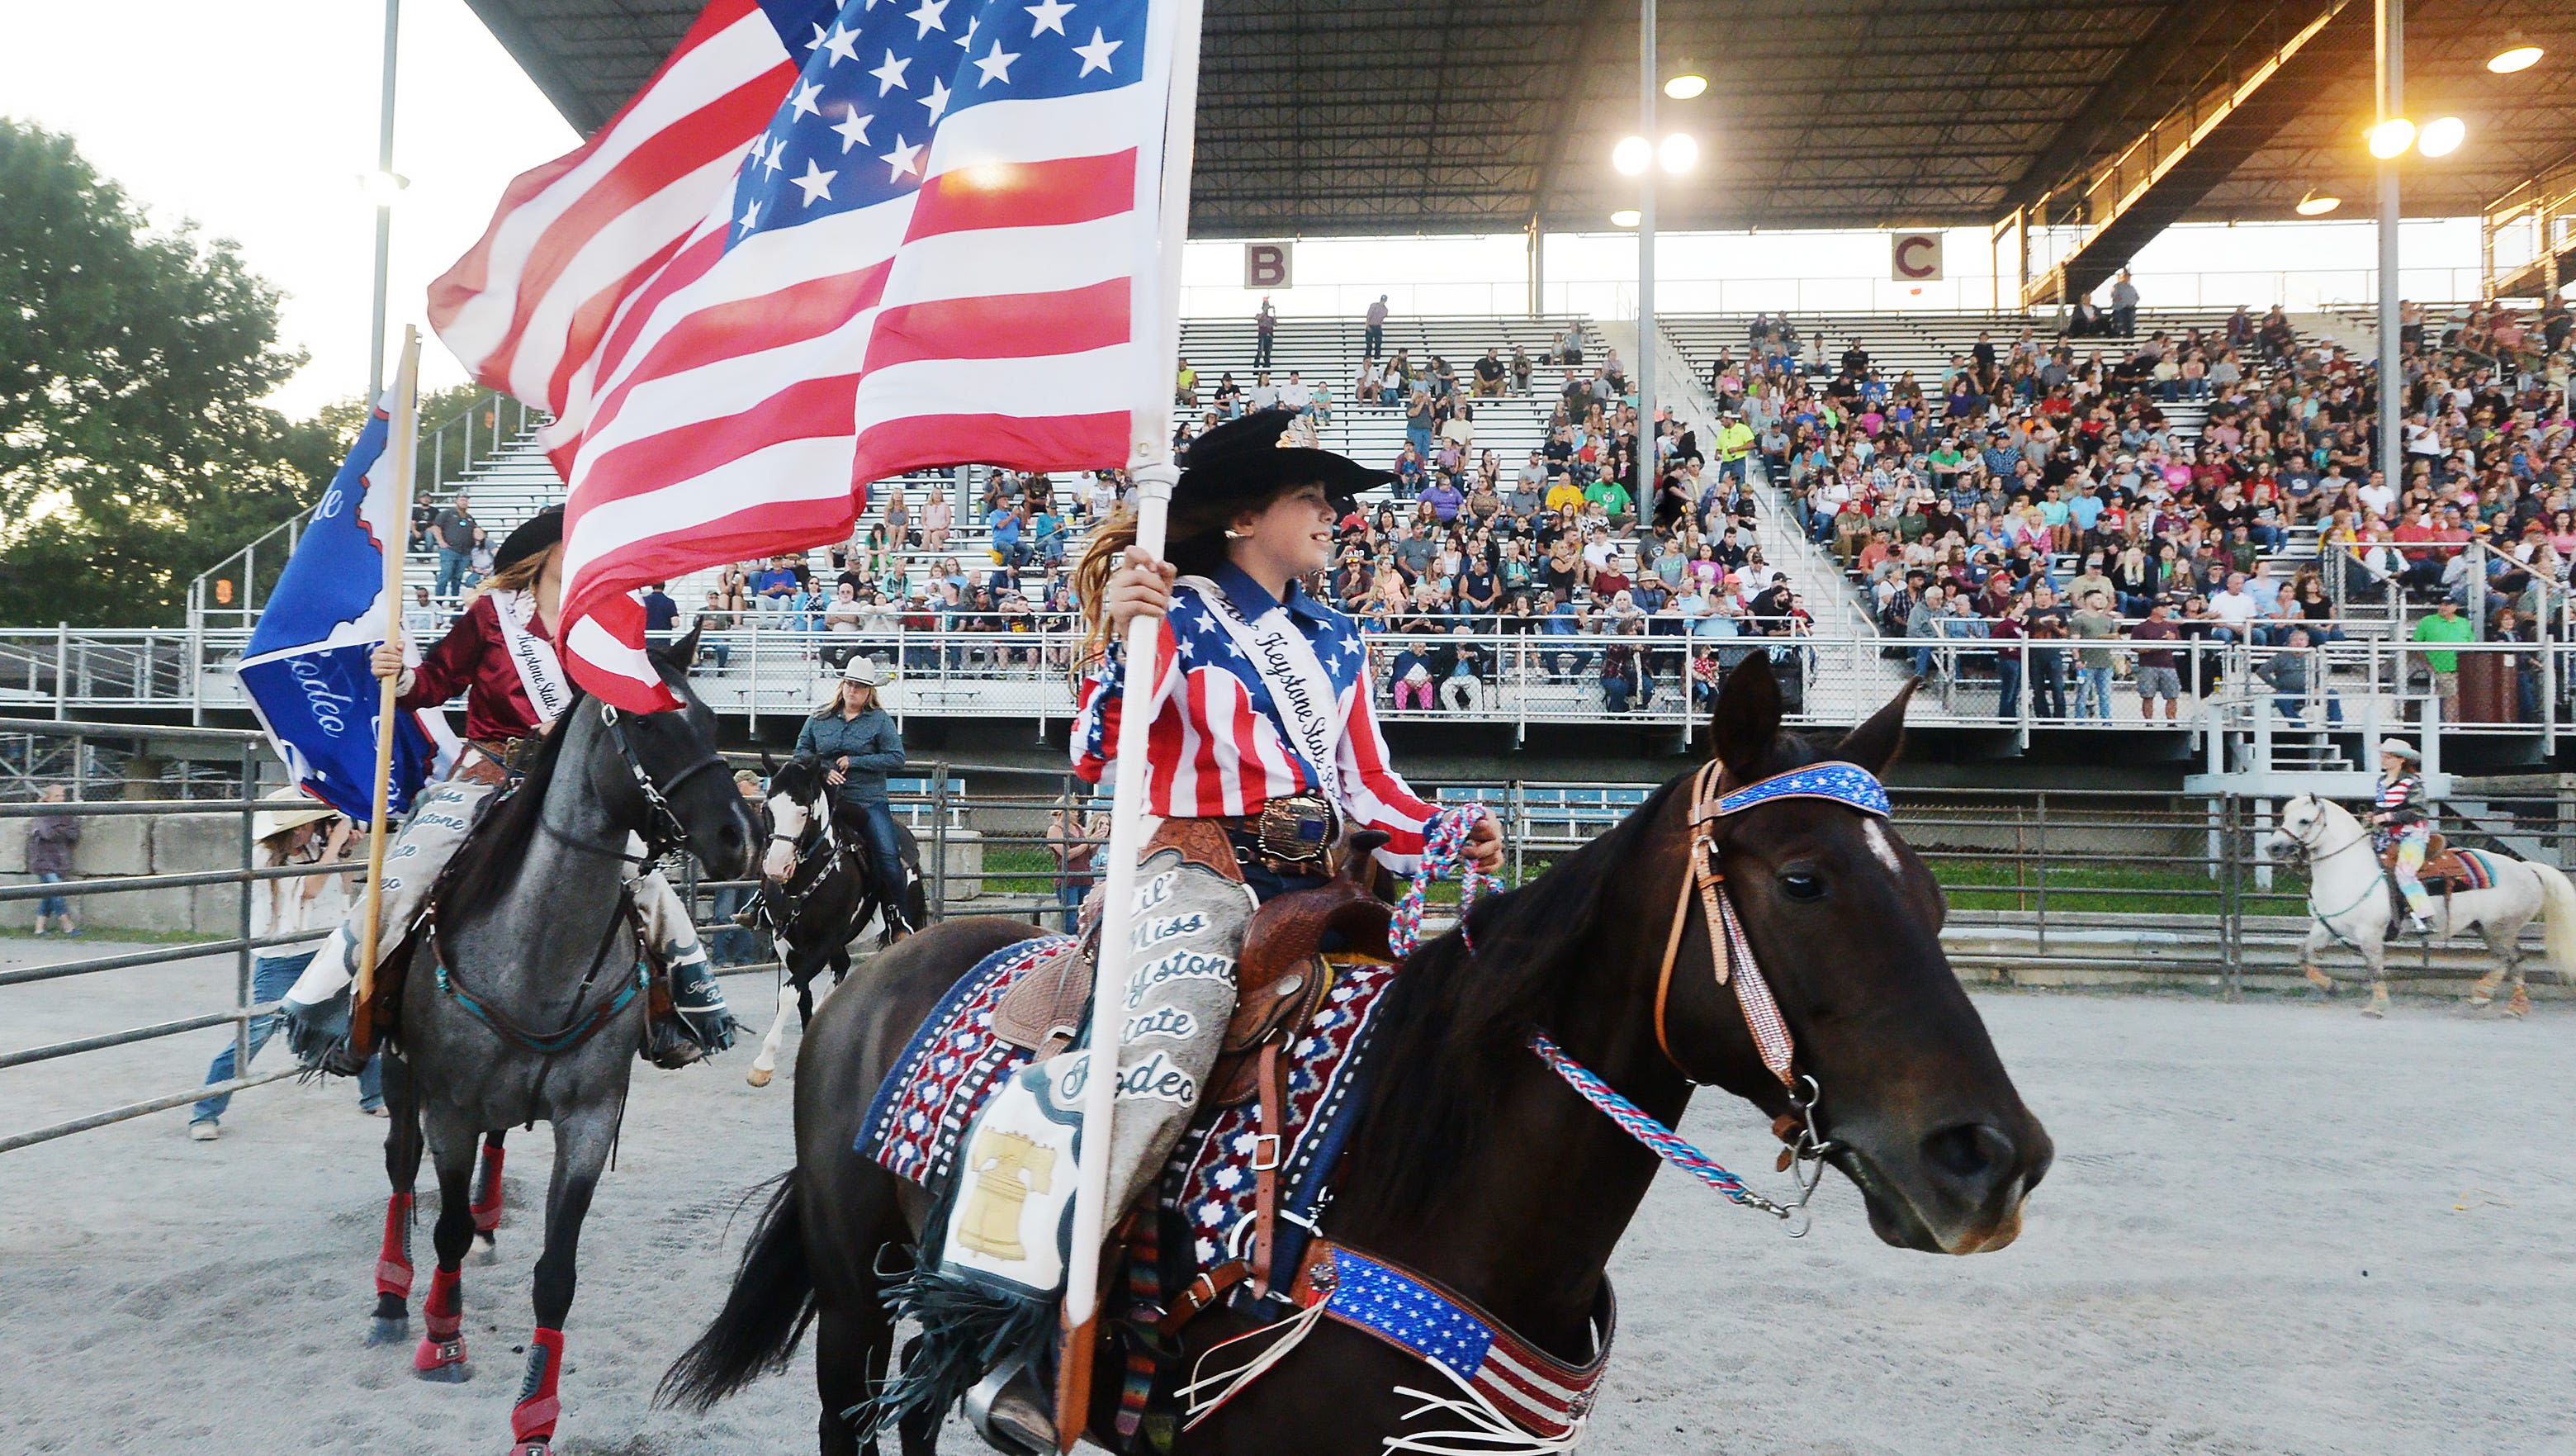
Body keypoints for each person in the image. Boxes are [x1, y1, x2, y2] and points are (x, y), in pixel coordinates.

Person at [916, 408, 1504, 1444]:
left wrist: (1451, 825)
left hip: (1323, 879)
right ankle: (1019, 1326)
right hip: (1199, 866)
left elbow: (1370, 782)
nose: (1335, 514)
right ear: (1244, 515)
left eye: (1333, 499)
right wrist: (1126, 638)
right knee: (1164, 1054)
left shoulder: (1335, 632)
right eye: (1312, 497)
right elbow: (1100, 751)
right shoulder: (1177, 612)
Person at [277, 506, 736, 1072]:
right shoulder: (494, 616)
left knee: (647, 880)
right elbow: (436, 681)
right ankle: (332, 1009)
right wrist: (400, 676)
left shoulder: (603, 625)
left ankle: (683, 1009)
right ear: (544, 556)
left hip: (569, 785)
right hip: (487, 774)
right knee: (408, 872)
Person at [189, 791, 372, 1139]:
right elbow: (310, 891)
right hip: (279, 958)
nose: (307, 832)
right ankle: (205, 1111)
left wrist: (343, 851)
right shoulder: (263, 855)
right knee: (256, 1032)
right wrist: (333, 847)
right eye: (303, 826)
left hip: (319, 949)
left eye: (311, 825)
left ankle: (374, 1094)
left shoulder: (316, 850)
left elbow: (340, 889)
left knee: (352, 1020)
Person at [792, 660, 912, 935]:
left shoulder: (880, 721)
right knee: (786, 839)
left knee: (887, 854)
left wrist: (856, 762)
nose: (852, 690)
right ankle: (766, 903)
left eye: (859, 687)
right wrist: (823, 770)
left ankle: (897, 917)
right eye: (849, 684)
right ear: (842, 685)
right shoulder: (818, 718)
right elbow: (800, 754)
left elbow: (897, 759)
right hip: (825, 799)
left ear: (869, 692)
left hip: (867, 799)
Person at [2368, 738, 2432, 933]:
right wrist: (2374, 816)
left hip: (2413, 834)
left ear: (2401, 760)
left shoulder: (2411, 783)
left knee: (2405, 872)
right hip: (2387, 834)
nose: (2383, 759)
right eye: (2383, 755)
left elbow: (2419, 811)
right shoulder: (2381, 782)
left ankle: (2425, 915)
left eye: (2388, 756)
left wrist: (2387, 816)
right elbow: (2380, 807)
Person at [26, 785, 81, 936]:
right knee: (56, 892)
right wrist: (63, 831)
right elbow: (47, 834)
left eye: (62, 795)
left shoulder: (66, 814)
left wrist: (60, 831)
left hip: (60, 861)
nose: (61, 799)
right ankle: (67, 925)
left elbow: (74, 834)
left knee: (49, 895)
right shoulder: (41, 814)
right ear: (48, 798)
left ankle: (39, 929)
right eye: (57, 796)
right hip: (43, 861)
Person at [2410, 597, 2473, 722]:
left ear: (2455, 607)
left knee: (2456, 694)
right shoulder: (2428, 621)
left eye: (2447, 605)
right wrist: (2428, 664)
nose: (2443, 607)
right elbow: (2416, 644)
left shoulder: (2463, 623)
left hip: (2461, 667)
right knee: (2452, 693)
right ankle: (2450, 723)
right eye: (2442, 604)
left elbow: (2471, 643)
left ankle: (2454, 721)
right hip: (2439, 668)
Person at [1044, 806, 1101, 935]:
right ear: (1063, 812)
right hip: (1069, 880)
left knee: (1087, 917)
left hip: (1085, 878)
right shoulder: (1055, 830)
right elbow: (1067, 855)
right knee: (1071, 921)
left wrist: (1097, 842)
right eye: (1073, 811)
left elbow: (1088, 855)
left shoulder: (1079, 828)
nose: (1077, 814)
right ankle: (1072, 946)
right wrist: (1088, 842)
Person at [1363, 294, 1388, 358]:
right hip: (1371, 325)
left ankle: (1377, 361)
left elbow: (1381, 319)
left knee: (1378, 345)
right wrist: (1367, 325)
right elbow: (1369, 316)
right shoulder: (1374, 305)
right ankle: (1367, 359)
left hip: (1377, 327)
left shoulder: (1385, 309)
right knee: (1369, 345)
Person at [1252, 297, 1275, 371]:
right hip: (1262, 336)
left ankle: (1267, 370)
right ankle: (1256, 369)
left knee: (1268, 354)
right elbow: (1257, 318)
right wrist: (1265, 310)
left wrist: (1274, 313)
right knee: (1260, 353)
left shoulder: (1270, 318)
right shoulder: (1260, 315)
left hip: (1269, 337)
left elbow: (1276, 323)